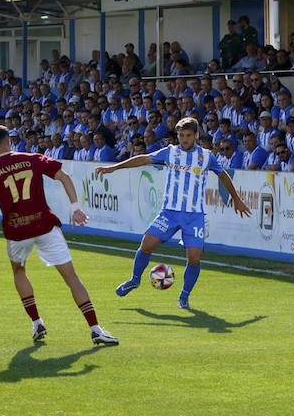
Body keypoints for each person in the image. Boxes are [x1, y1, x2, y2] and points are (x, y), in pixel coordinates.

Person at [0, 125, 118, 346]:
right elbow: (64, 176)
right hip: (45, 225)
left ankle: (37, 323)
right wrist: (75, 208)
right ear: (9, 142)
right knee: (71, 277)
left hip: (17, 232)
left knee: (19, 270)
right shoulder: (33, 158)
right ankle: (95, 329)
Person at [98, 116, 252, 310]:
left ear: (196, 135)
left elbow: (223, 175)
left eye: (188, 135)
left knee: (194, 258)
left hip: (194, 215)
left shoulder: (206, 156)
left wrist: (237, 199)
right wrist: (115, 168)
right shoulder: (170, 152)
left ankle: (184, 296)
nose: (184, 139)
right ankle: (134, 280)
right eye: (181, 135)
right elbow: (143, 159)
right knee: (146, 245)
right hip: (169, 212)